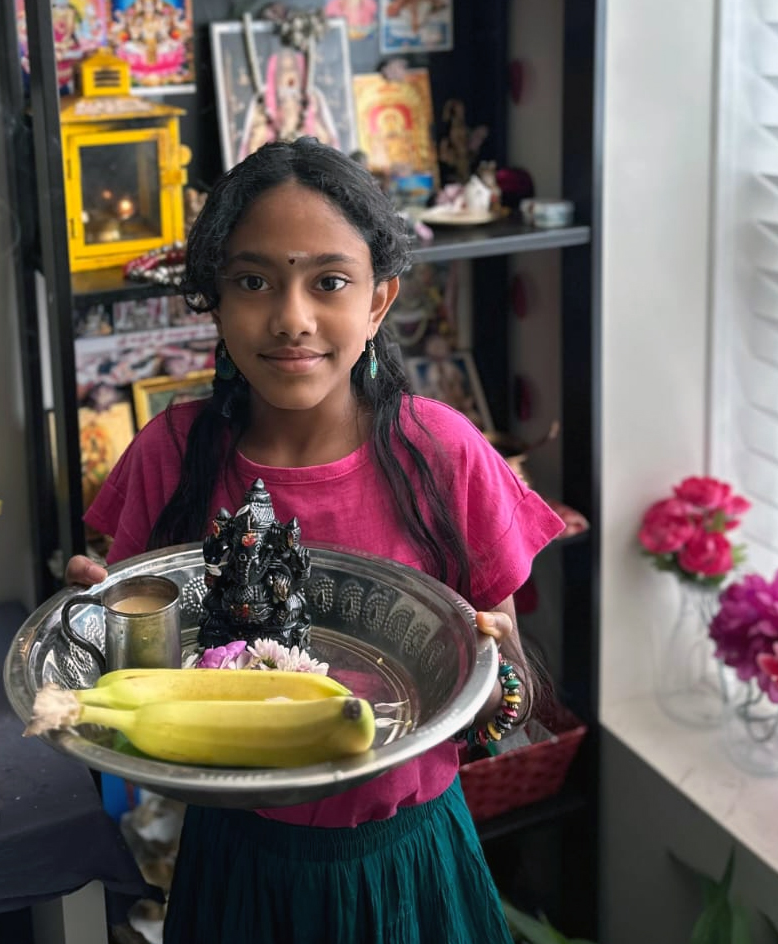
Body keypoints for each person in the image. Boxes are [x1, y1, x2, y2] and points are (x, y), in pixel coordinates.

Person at [66, 136, 565, 944]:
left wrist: (496, 670)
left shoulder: (443, 454)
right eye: (254, 281)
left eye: (329, 282)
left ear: (377, 301)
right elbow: (146, 693)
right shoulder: (173, 454)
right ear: (215, 302)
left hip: (408, 861)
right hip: (237, 865)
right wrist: (103, 627)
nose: (292, 318)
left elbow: (499, 700)